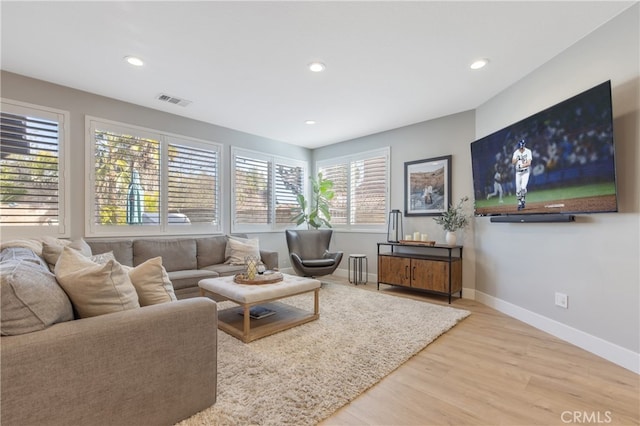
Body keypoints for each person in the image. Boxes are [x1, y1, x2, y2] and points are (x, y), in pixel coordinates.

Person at [511, 138, 532, 210]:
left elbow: (529, 163)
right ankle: (520, 203)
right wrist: (517, 159)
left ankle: (523, 199)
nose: (522, 149)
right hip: (518, 173)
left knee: (523, 187)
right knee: (518, 190)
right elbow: (513, 162)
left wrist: (522, 165)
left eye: (522, 147)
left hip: (525, 172)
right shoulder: (516, 152)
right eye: (520, 147)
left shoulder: (528, 151)